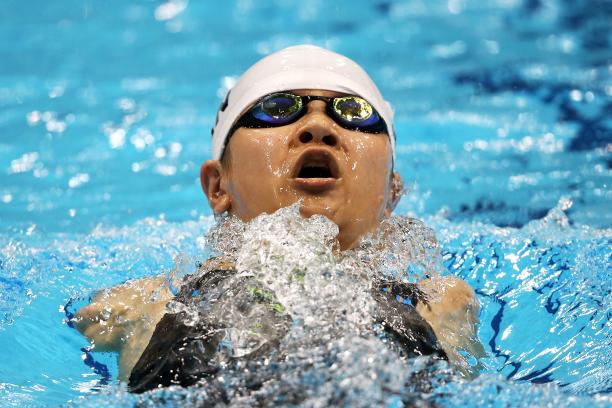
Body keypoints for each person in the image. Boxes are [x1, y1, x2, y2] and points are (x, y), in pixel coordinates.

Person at [74, 45, 484, 393]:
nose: (319, 127)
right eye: (277, 109)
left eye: (353, 112)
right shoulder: (138, 307)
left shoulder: (443, 304)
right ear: (217, 186)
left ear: (392, 194)